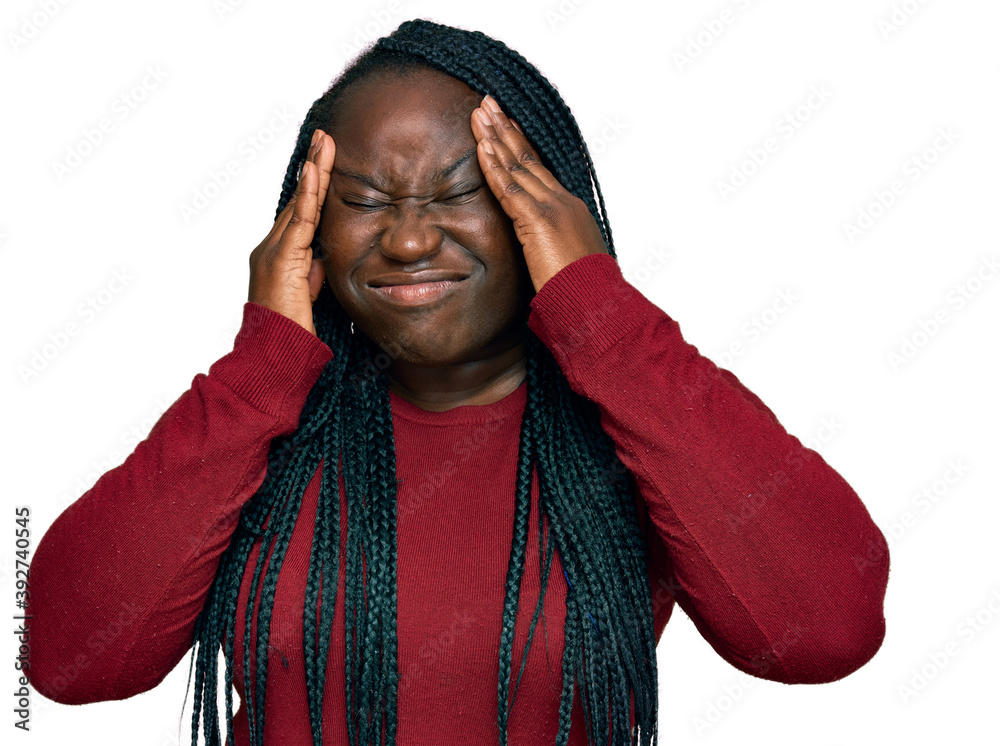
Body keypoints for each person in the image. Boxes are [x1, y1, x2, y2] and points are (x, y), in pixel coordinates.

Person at [24, 18, 890, 746]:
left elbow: (822, 634)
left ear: (544, 213)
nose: (406, 241)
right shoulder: (257, 432)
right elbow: (68, 660)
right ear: (307, 230)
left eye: (460, 192)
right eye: (362, 200)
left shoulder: (636, 426)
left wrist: (603, 318)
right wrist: (260, 369)